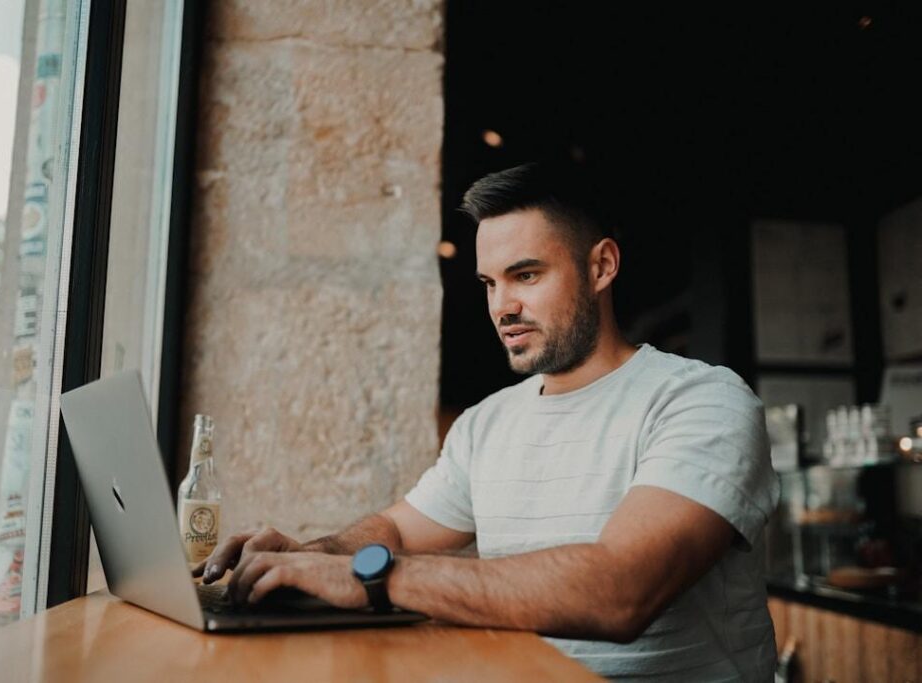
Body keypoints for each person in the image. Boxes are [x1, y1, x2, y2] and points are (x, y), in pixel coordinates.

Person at [195, 162, 780, 680]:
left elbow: (620, 591)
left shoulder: (701, 401)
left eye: (526, 275)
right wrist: (312, 557)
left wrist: (371, 579)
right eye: (489, 283)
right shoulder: (486, 424)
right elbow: (394, 531)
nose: (502, 307)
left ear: (601, 266)